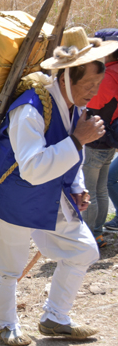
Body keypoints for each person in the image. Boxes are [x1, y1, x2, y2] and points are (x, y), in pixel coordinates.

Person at [0, 27, 118, 345]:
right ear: (66, 77)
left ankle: (55, 318)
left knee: (83, 250)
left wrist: (79, 186)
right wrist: (77, 139)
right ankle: (6, 325)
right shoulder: (29, 109)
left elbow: (73, 154)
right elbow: (31, 169)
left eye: (98, 84)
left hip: (55, 196)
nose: (93, 92)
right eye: (89, 85)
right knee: (8, 269)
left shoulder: (74, 105)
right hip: (15, 198)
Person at [81, 28, 118, 247]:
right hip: (110, 139)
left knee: (90, 190)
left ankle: (92, 235)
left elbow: (91, 105)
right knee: (101, 188)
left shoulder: (108, 75)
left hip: (96, 138)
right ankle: (99, 232)